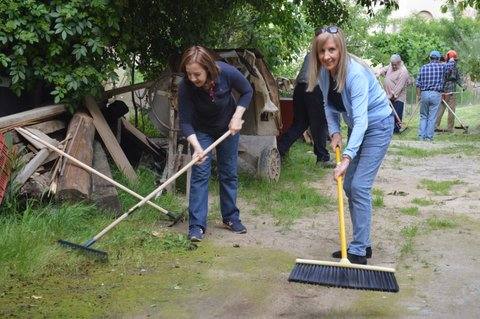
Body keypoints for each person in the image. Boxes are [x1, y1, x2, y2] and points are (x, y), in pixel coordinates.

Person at [306, 26, 394, 265]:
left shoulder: (354, 73)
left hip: (378, 125)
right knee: (349, 187)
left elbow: (363, 119)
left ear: (341, 49)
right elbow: (329, 106)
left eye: (332, 49)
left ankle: (358, 250)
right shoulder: (325, 73)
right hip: (358, 126)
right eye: (322, 51)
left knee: (360, 186)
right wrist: (334, 132)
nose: (327, 56)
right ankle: (362, 244)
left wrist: (346, 158)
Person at [178, 46, 253, 242]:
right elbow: (185, 121)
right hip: (201, 130)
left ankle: (230, 217)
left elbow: (247, 91)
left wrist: (237, 117)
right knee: (200, 174)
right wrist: (197, 147)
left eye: (197, 74)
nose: (193, 78)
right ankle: (196, 226)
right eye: (189, 74)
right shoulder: (185, 86)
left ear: (208, 68)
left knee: (228, 172)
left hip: (228, 128)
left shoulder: (226, 72)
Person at [277, 50, 333, 167]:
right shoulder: (327, 53)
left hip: (300, 88)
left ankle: (279, 150)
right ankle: (322, 158)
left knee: (299, 124)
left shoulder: (311, 53)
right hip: (314, 88)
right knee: (319, 124)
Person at [415, 50, 454, 141]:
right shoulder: (442, 67)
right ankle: (429, 138)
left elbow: (418, 84)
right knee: (432, 117)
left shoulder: (423, 67)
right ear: (439, 59)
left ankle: (421, 137)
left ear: (430, 58)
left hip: (424, 93)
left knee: (423, 116)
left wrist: (418, 96)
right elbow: (451, 66)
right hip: (436, 94)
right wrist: (451, 58)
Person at [378, 54, 412, 133]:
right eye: (392, 65)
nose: (393, 67)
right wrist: (379, 72)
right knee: (388, 113)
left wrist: (391, 96)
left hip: (398, 96)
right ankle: (387, 128)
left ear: (399, 62)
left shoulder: (404, 72)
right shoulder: (391, 65)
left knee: (397, 112)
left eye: (395, 65)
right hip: (389, 95)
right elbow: (384, 69)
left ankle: (396, 129)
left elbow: (399, 87)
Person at [435, 50, 464, 132]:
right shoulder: (447, 66)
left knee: (444, 109)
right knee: (446, 109)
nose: (455, 62)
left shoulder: (445, 66)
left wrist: (463, 86)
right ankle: (448, 127)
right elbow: (457, 78)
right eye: (455, 60)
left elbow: (458, 78)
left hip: (447, 91)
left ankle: (439, 126)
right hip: (446, 92)